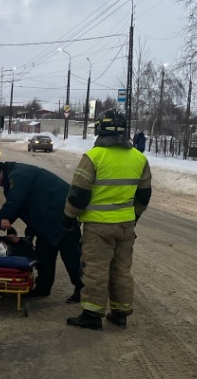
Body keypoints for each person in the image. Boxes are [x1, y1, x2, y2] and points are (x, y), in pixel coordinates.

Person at [64, 109, 152, 330]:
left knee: (96, 269)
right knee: (121, 269)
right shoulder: (140, 159)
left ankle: (92, 314)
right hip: (125, 225)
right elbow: (144, 195)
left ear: (100, 129)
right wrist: (135, 216)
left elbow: (78, 194)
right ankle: (120, 312)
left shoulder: (93, 157)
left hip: (98, 226)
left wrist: (69, 217)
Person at [0, 161, 84, 302]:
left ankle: (82, 290)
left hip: (62, 216)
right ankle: (42, 288)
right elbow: (18, 208)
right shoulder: (13, 177)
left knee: (71, 255)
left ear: (0, 173)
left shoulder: (19, 175)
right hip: (45, 220)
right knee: (44, 254)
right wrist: (0, 225)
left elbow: (14, 203)